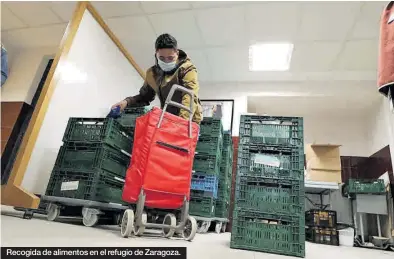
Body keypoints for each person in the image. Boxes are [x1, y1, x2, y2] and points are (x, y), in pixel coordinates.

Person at [112, 33, 203, 124]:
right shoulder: (152, 74)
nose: (166, 61)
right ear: (156, 55)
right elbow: (144, 97)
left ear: (177, 53)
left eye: (170, 58)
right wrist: (126, 102)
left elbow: (190, 96)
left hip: (189, 122)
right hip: (167, 119)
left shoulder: (187, 69)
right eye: (162, 58)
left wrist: (181, 123)